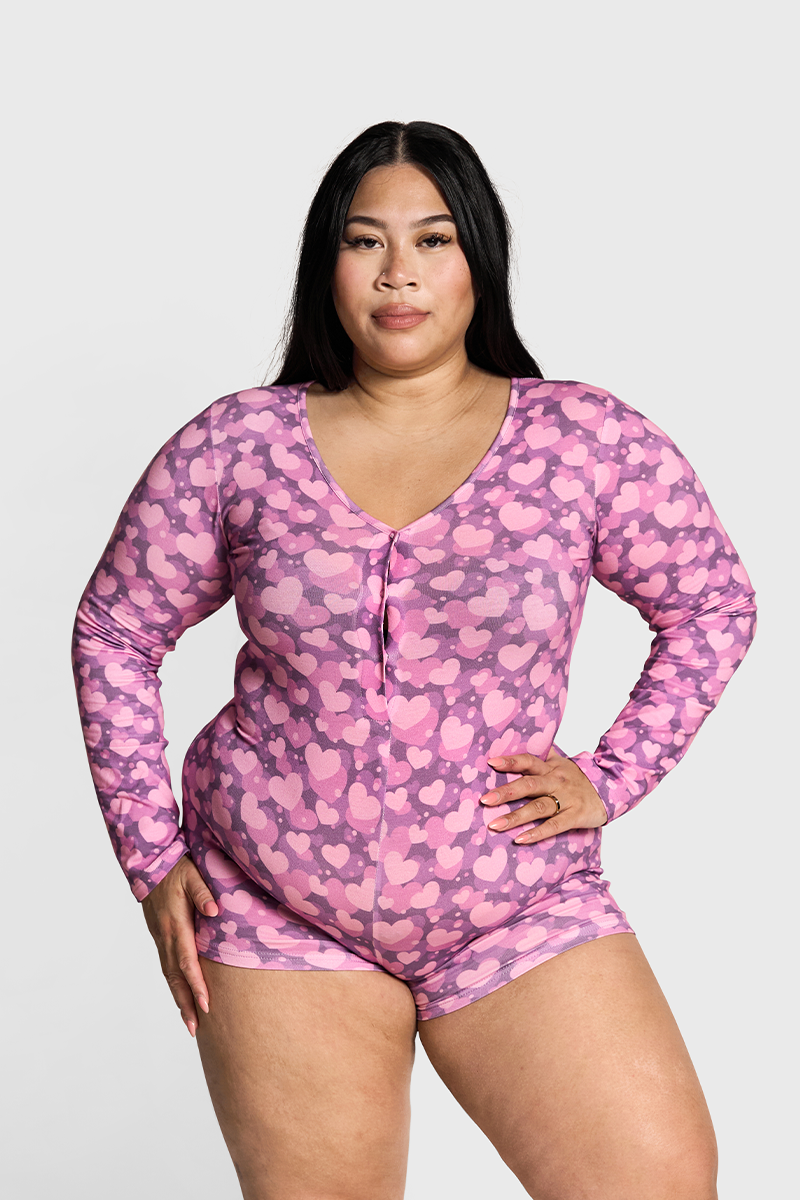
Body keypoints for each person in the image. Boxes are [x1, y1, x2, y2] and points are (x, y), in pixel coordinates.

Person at [72, 120, 756, 1200]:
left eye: (433, 240)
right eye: (366, 241)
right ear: (327, 264)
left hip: (518, 905)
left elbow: (712, 602)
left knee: (658, 1183)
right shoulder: (236, 445)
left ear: (478, 257)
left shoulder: (583, 440)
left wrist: (611, 777)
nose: (399, 272)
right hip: (277, 912)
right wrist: (152, 857)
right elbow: (116, 630)